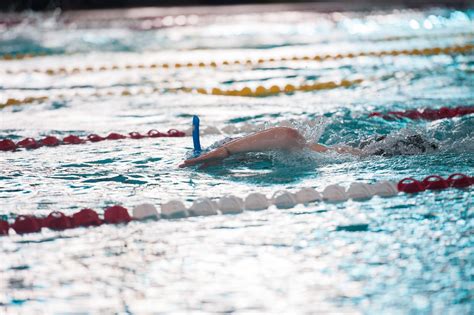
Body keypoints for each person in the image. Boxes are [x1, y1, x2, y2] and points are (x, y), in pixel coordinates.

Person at [179, 126, 438, 168]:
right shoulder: (270, 156)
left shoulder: (289, 148)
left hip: (383, 154)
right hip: (372, 149)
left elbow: (288, 134)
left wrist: (226, 152)